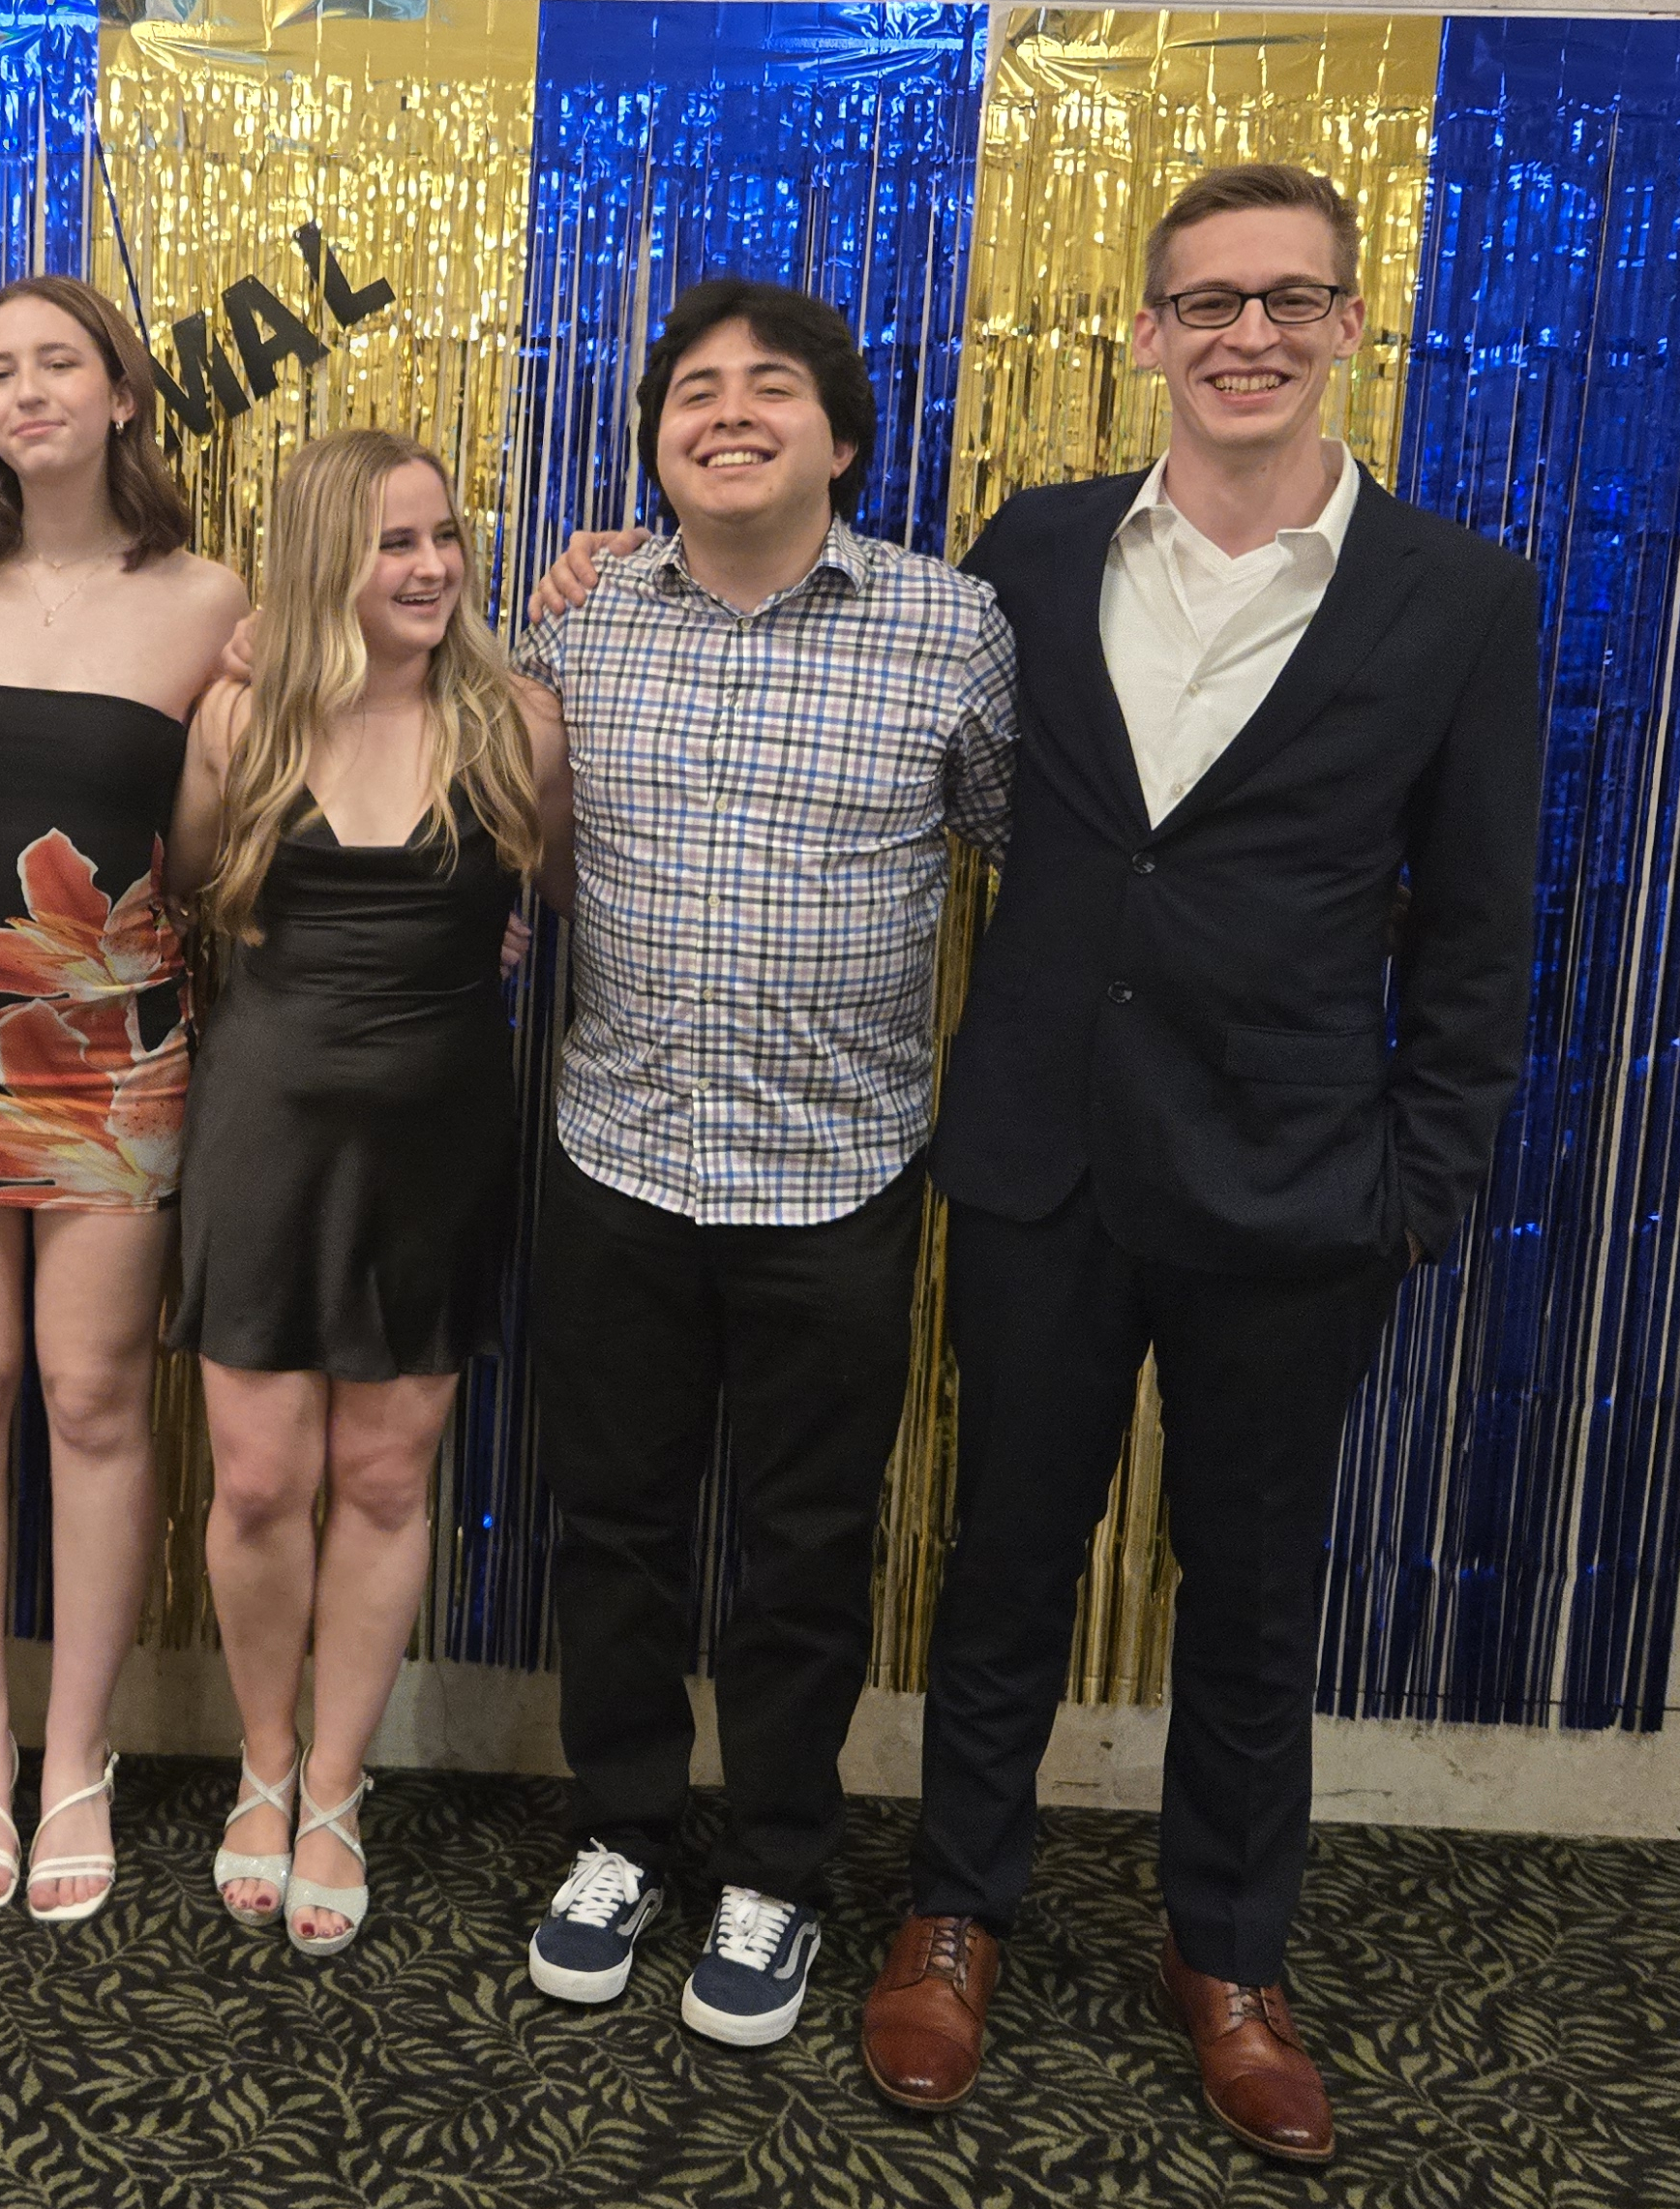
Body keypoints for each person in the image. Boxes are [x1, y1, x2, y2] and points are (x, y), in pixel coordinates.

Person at [857, 166, 1542, 2165]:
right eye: (1211, 301)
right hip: (1042, 1157)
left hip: (1298, 1185)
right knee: (1004, 1557)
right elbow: (867, 663)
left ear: (1349, 327)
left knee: (1248, 1592)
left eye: (1290, 299)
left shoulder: (1457, 594)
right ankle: (957, 1908)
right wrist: (608, 572)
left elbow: (1479, 926)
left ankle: (1228, 1954)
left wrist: (1417, 1187)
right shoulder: (1032, 545)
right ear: (1149, 333)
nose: (1251, 334)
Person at [513, 279, 1018, 2047]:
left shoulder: (951, 627)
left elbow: (1022, 851)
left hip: (838, 1171)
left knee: (806, 1543)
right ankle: (622, 1832)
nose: (726, 412)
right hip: (618, 1151)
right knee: (617, 1527)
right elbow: (521, 827)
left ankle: (779, 1867)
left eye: (770, 388)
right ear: (655, 443)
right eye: (692, 392)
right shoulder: (579, 621)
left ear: (843, 438)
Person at [0, 275, 246, 1922]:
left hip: (120, 1040)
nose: (25, 392)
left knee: (91, 1400)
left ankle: (77, 1750)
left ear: (123, 393)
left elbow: (223, 840)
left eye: (57, 363)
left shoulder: (212, 598)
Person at [170, 429, 565, 1957]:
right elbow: (192, 887)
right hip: (264, 1129)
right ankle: (262, 1761)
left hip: (438, 1140)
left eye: (443, 535)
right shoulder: (239, 716)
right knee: (261, 1480)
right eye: (393, 540)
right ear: (324, 557)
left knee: (390, 1481)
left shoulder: (514, 721)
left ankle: (337, 1782)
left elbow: (564, 893)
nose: (430, 566)